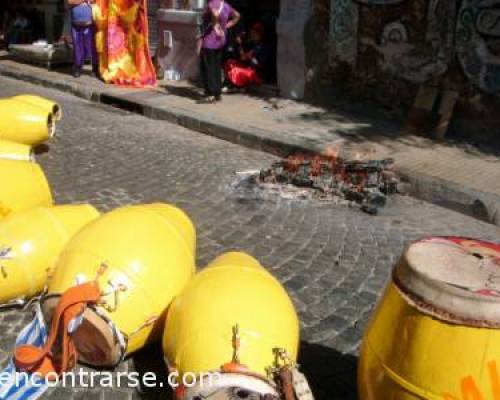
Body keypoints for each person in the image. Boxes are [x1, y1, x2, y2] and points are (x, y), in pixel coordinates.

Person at [198, 0, 240, 104]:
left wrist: (215, 24)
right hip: (221, 40)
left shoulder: (212, 3)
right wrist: (226, 26)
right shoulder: (226, 5)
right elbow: (237, 15)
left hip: (210, 40)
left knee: (208, 67)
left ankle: (210, 94)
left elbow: (215, 13)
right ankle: (217, 93)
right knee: (216, 66)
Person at [224, 21, 270, 90]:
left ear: (259, 34)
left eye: (254, 33)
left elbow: (244, 57)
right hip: (249, 68)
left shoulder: (261, 46)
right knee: (230, 62)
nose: (251, 34)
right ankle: (230, 83)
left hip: (258, 74)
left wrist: (240, 45)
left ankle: (237, 86)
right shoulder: (252, 43)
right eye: (251, 32)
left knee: (236, 71)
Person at [67, 0, 98, 78]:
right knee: (77, 47)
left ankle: (95, 69)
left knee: (92, 47)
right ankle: (78, 68)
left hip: (90, 24)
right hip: (76, 25)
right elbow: (70, 2)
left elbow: (96, 3)